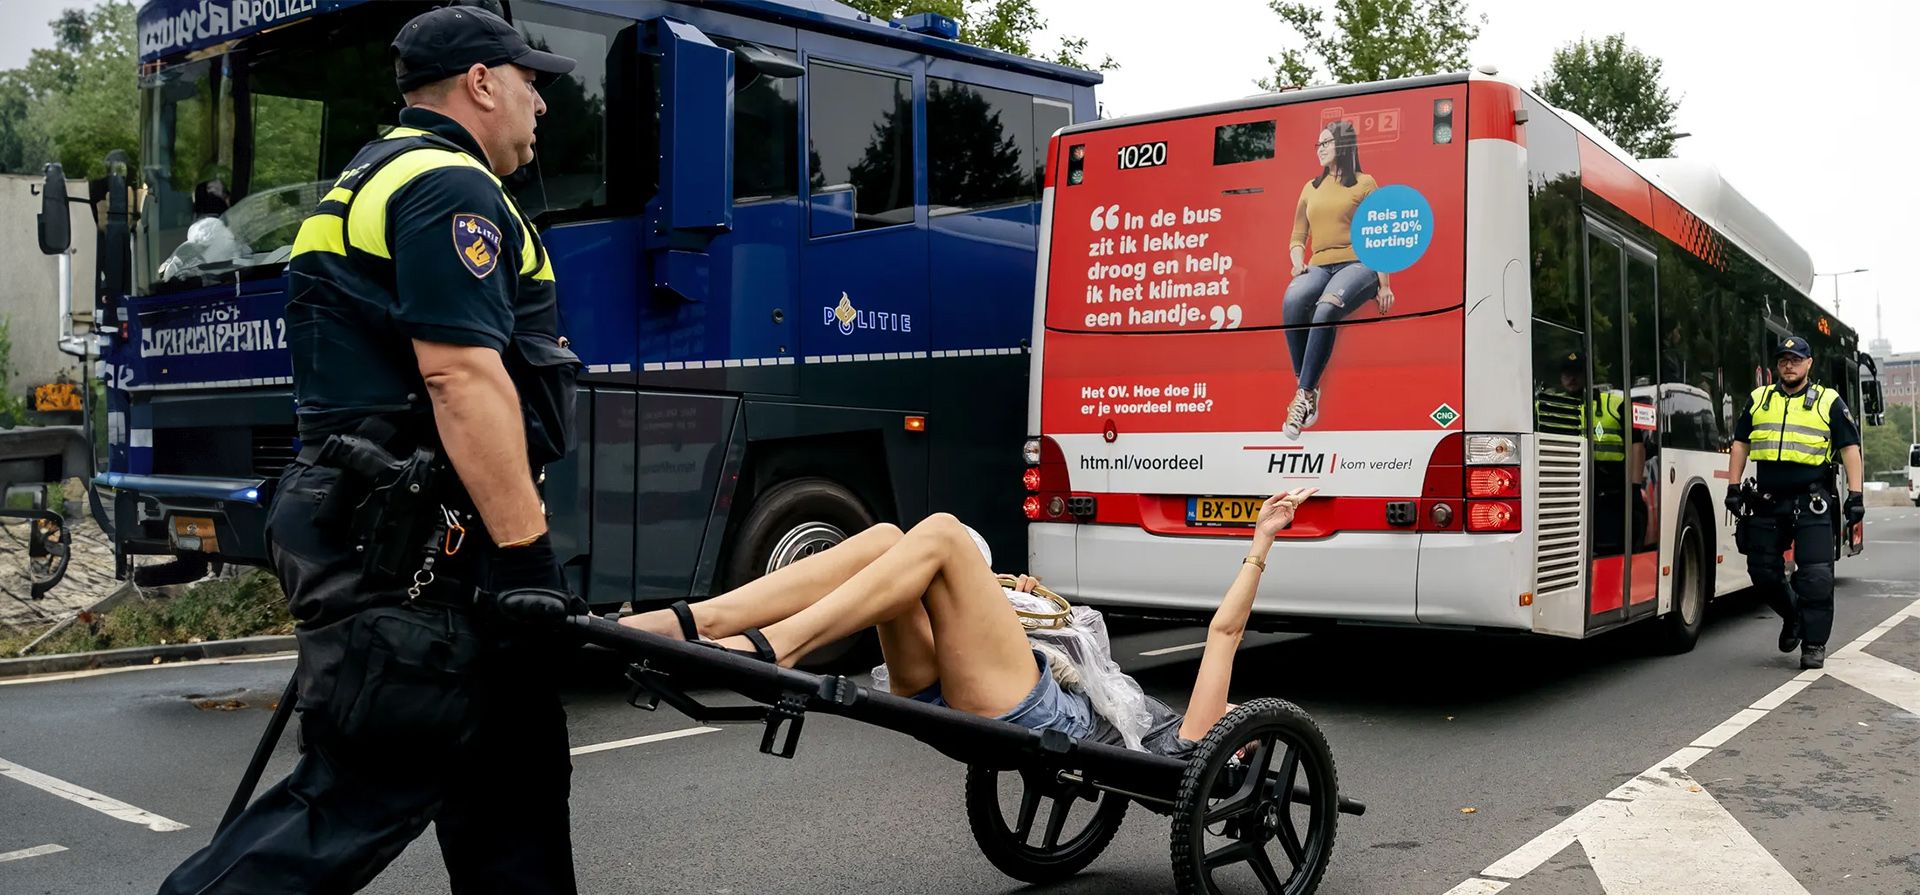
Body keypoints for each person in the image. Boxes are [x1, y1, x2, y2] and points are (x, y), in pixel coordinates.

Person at [157, 6, 583, 894]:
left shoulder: (369, 175)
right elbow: (461, 379)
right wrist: (526, 554)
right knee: (355, 799)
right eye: (529, 81)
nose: (539, 103)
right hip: (423, 550)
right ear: (480, 83)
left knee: (515, 796)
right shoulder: (447, 187)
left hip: (389, 526)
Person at [621, 488, 1318, 753]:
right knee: (890, 537)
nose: (1231, 706)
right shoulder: (1150, 717)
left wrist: (1261, 543)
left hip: (1035, 709)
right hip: (991, 686)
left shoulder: (1195, 739)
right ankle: (689, 619)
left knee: (946, 533)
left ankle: (778, 646)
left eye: (1237, 715)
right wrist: (1018, 600)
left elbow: (1223, 633)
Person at [1725, 335, 1864, 670]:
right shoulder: (1759, 399)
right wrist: (1732, 486)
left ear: (1808, 364)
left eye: (1796, 359)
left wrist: (1855, 495)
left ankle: (1814, 645)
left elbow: (1849, 449)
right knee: (1761, 571)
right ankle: (1793, 617)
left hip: (1812, 499)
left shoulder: (1828, 401)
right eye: (1784, 359)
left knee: (1815, 577)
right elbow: (1740, 443)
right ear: (1777, 365)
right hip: (1768, 501)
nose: (1789, 365)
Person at [1281, 120, 1395, 439]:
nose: (1320, 149)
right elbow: (1297, 235)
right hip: (1318, 264)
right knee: (1292, 301)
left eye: (1326, 143)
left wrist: (1384, 284)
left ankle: (1302, 396)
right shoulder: (1310, 188)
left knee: (1325, 309)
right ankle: (1308, 388)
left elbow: (1377, 235)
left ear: (1342, 147)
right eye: (1317, 144)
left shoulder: (1364, 183)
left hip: (1359, 264)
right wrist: (1296, 264)